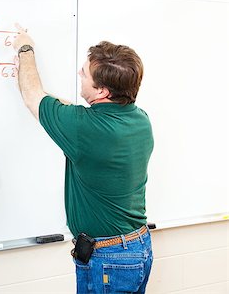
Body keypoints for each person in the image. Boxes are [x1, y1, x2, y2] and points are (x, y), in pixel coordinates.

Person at [13, 24, 154, 293]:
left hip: (109, 261)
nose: (80, 72)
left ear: (102, 91)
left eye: (85, 73)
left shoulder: (85, 129)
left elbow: (33, 97)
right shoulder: (139, 120)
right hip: (137, 248)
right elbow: (68, 112)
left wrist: (25, 47)